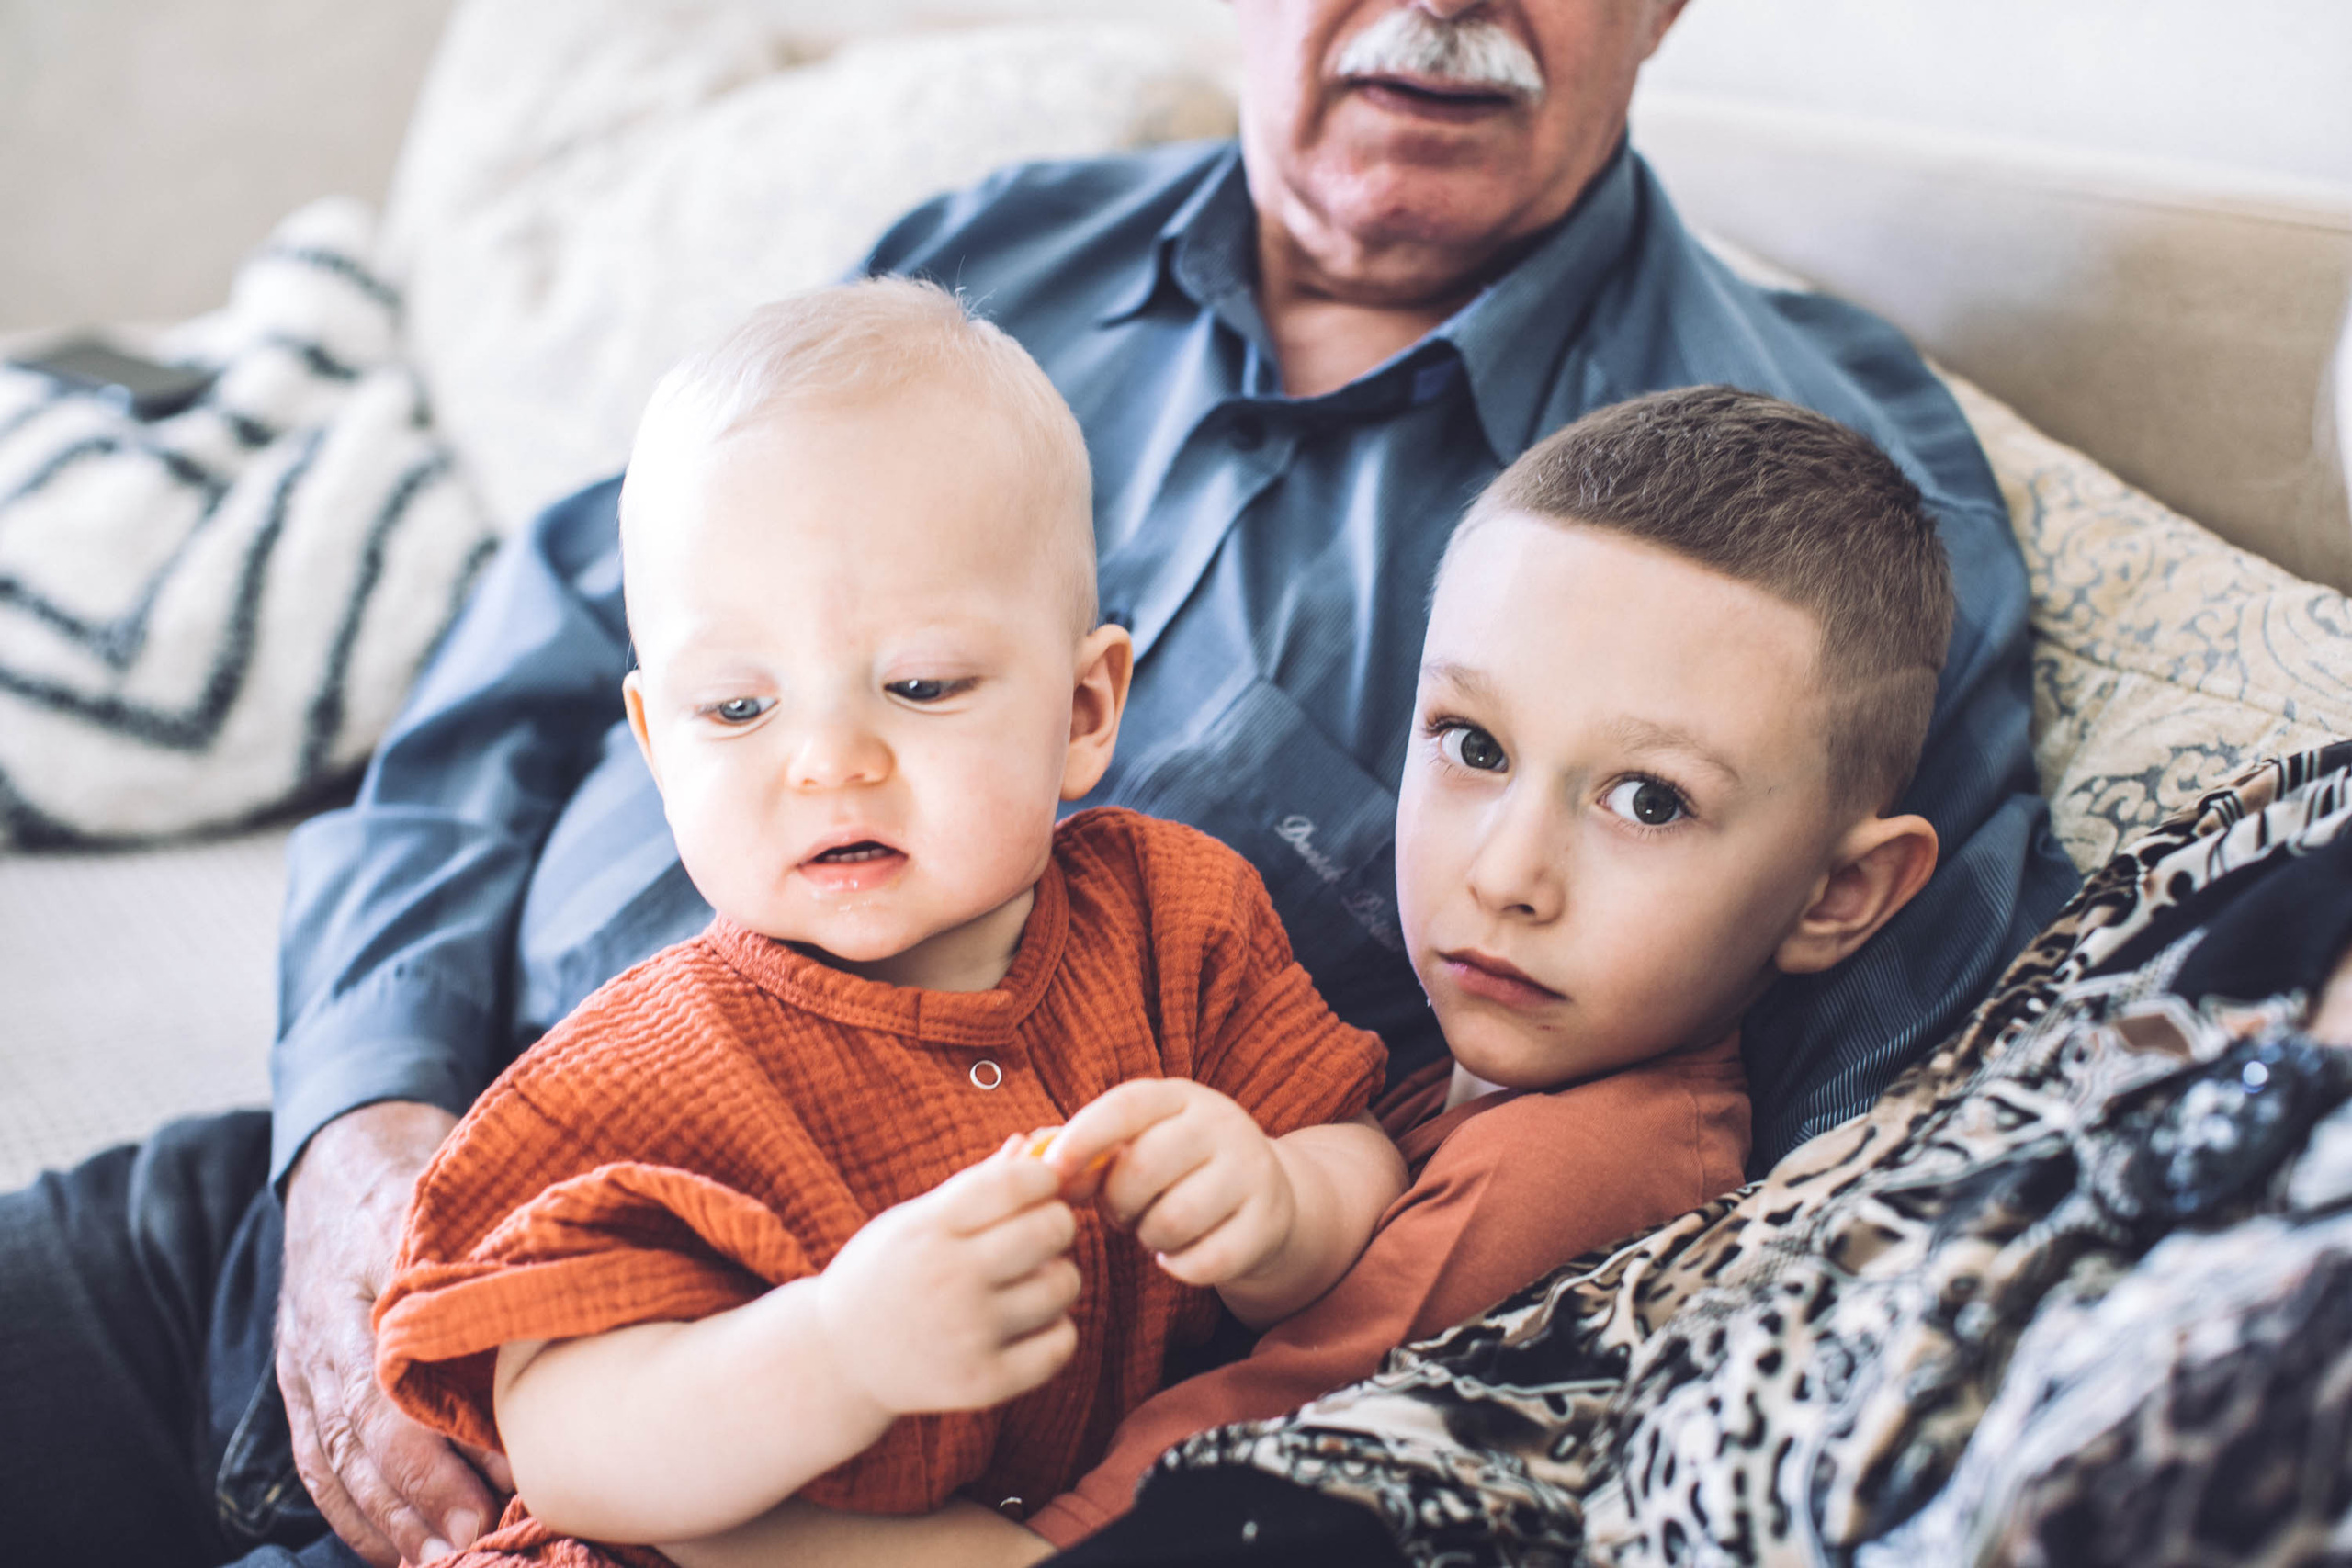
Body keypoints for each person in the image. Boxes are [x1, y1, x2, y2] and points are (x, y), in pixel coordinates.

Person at [0, 6, 2078, 1567]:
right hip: (356, 1193)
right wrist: (354, 1128)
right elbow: (515, 672)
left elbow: (1815, 1151)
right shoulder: (983, 252)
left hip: (807, 1450)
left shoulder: (1780, 504)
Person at [640, 384, 1951, 1567]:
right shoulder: (1474, 1072)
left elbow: (1164, 1523)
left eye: (1650, 801)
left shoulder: (1583, 1171)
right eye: (1472, 744)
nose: (1507, 875)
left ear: (1840, 894)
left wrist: (729, 1525)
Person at [363, 280, 1402, 1567]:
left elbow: (1360, 1158)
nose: (829, 762)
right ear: (654, 744)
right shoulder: (637, 1078)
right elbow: (568, 1446)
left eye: (919, 684)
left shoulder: (1176, 920)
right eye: (738, 712)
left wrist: (1281, 1205)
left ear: (1085, 710)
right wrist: (835, 1353)